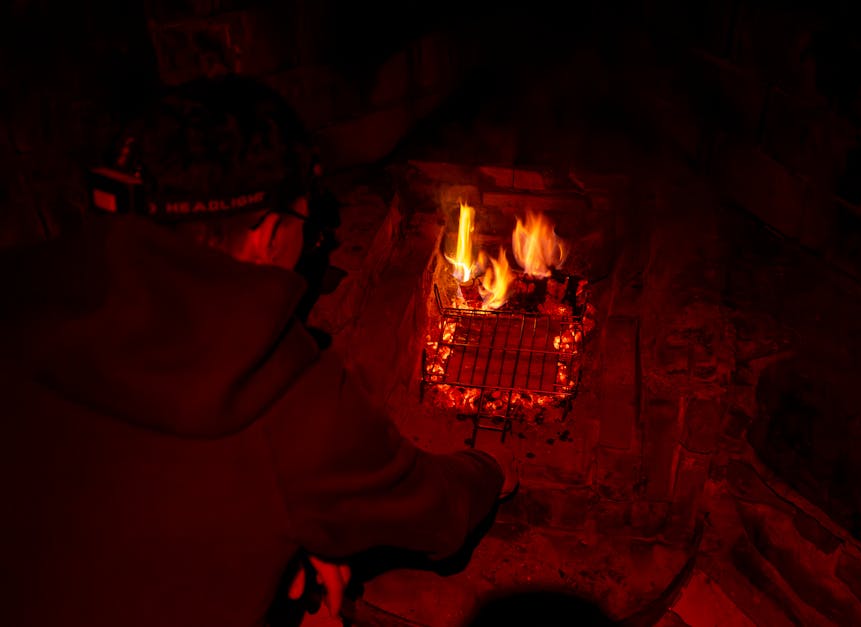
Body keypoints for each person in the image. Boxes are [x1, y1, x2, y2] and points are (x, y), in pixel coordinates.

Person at [0, 75, 515, 627]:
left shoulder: (20, 294)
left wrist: (291, 529)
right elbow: (438, 516)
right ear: (268, 232)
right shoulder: (285, 392)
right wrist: (488, 469)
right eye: (303, 222)